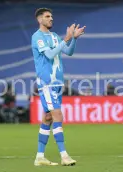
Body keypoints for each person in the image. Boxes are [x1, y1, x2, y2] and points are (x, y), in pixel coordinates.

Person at [31, 8, 85, 166]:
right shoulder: (38, 37)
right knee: (58, 116)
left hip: (57, 83)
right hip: (47, 83)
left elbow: (68, 52)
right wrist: (66, 39)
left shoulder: (54, 36)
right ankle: (64, 155)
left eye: (52, 16)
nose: (51, 19)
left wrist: (73, 39)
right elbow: (48, 55)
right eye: (47, 17)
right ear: (39, 20)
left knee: (48, 118)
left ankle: (40, 157)